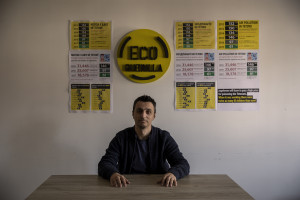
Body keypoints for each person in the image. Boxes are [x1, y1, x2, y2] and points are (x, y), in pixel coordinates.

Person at [98, 95, 190, 187]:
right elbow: (105, 163)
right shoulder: (121, 137)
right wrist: (113, 174)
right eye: (139, 111)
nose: (143, 115)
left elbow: (182, 163)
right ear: (133, 114)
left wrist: (173, 173)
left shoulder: (164, 137)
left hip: (159, 185)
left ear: (154, 115)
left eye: (148, 112)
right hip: (126, 185)